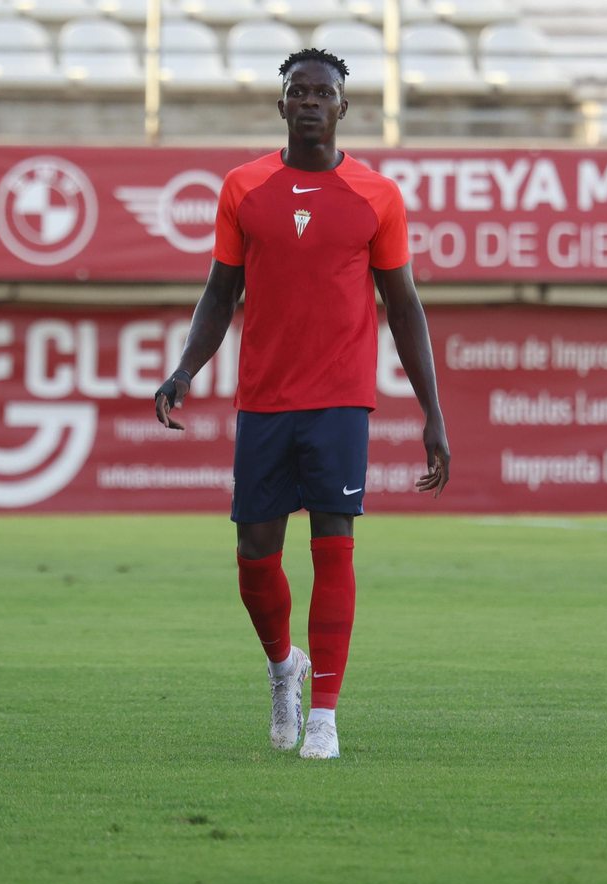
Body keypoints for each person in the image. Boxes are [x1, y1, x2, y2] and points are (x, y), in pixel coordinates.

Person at [154, 49, 450, 761]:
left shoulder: (377, 195)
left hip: (341, 400)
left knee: (334, 545)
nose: (312, 101)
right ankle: (282, 665)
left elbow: (404, 308)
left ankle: (324, 712)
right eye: (299, 91)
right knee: (254, 556)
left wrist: (433, 415)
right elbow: (220, 293)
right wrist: (185, 368)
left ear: (344, 108)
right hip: (263, 399)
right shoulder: (244, 189)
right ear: (280, 105)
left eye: (324, 92)